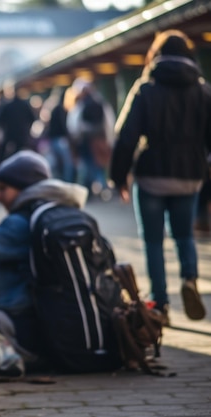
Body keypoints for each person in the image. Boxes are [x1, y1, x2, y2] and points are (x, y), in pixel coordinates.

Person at [110, 29, 211, 323]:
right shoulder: (204, 91)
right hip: (190, 175)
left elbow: (126, 136)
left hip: (151, 175)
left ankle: (161, 303)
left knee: (153, 242)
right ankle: (190, 278)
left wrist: (119, 178)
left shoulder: (145, 88)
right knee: (183, 235)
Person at [0, 150, 88, 368]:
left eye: (3, 189)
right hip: (45, 326)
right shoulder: (55, 211)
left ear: (24, 188)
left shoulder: (20, 223)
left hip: (20, 326)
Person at [66, 78, 116, 199]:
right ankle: (103, 187)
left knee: (87, 165)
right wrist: (110, 139)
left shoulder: (79, 105)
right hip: (100, 139)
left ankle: (87, 191)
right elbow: (109, 122)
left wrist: (76, 139)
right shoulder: (100, 102)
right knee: (99, 165)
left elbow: (73, 125)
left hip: (85, 141)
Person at [0, 85, 36, 164]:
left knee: (10, 157)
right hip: (23, 136)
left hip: (10, 136)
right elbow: (32, 119)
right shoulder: (25, 105)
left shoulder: (8, 106)